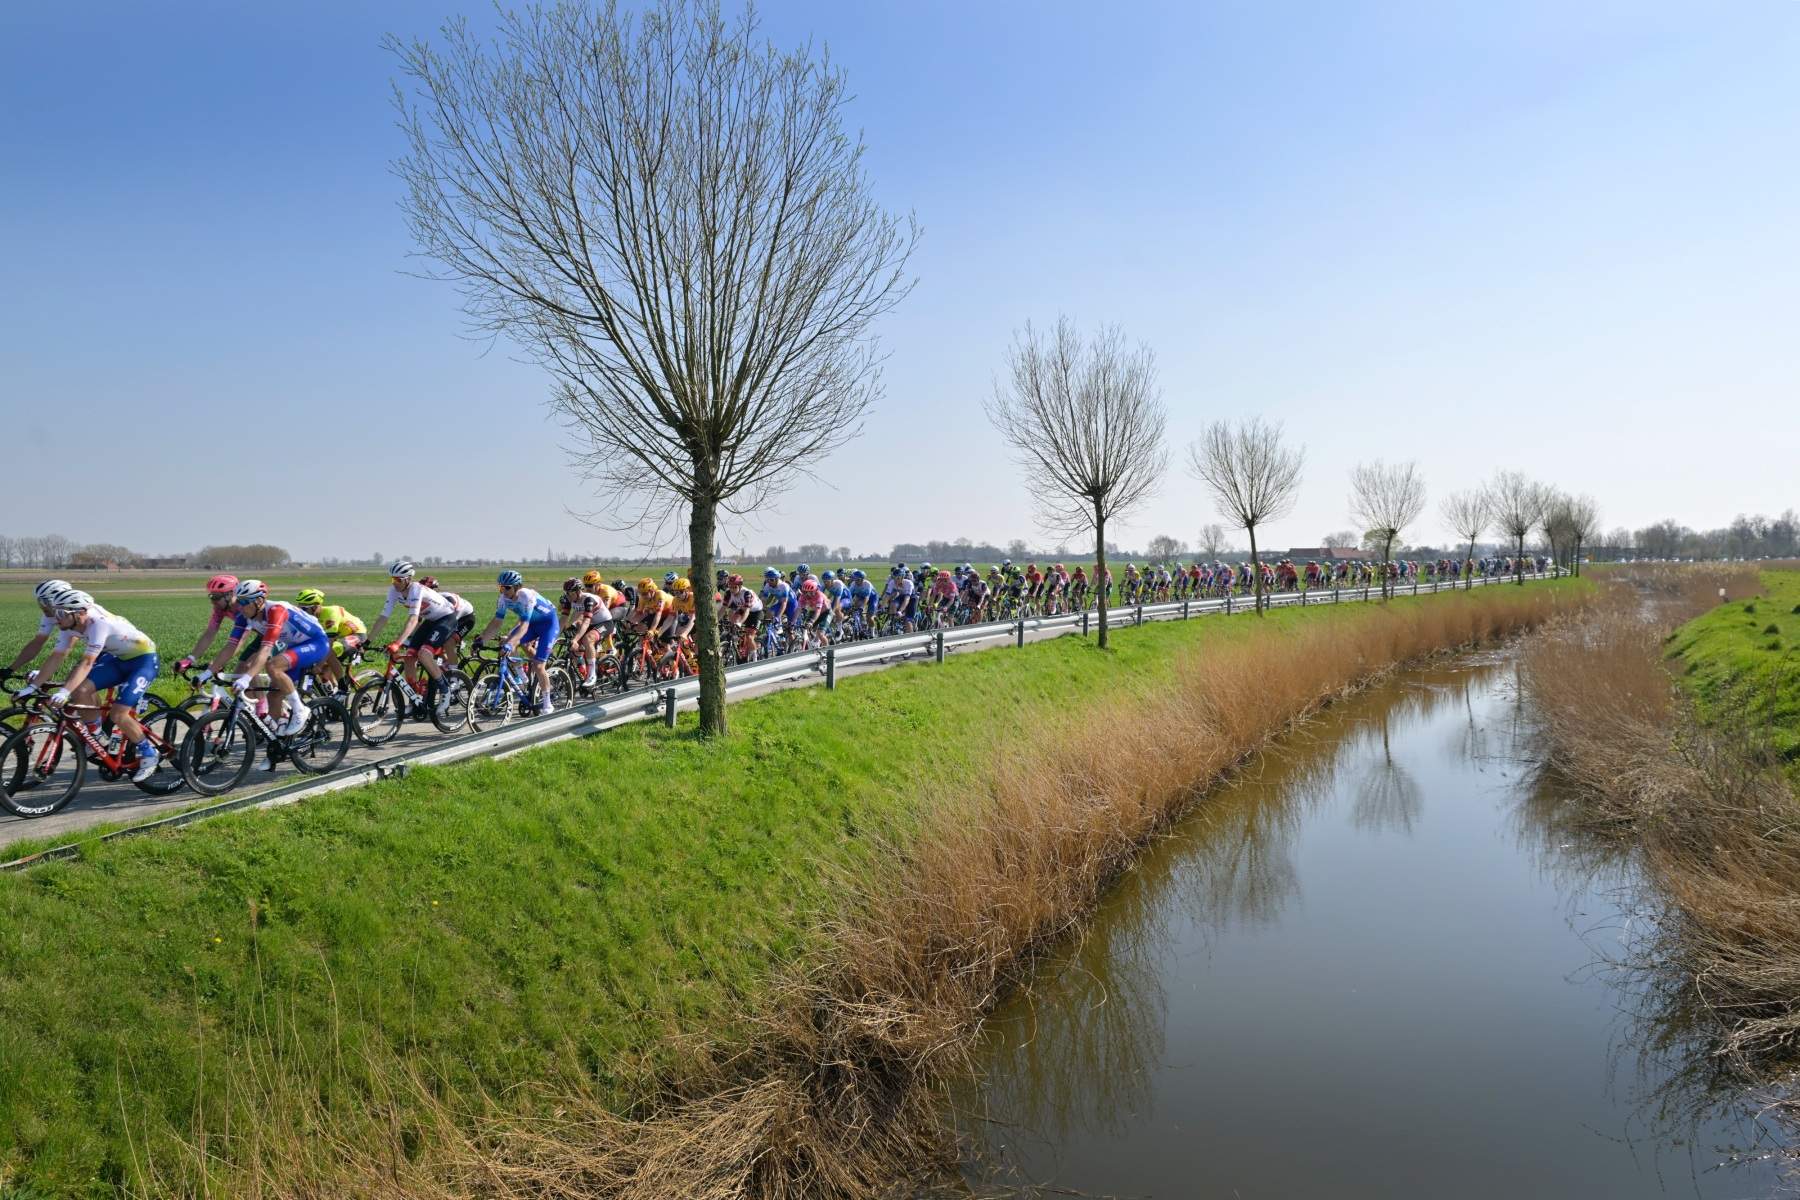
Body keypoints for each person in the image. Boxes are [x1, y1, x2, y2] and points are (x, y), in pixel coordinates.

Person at [19, 590, 164, 782]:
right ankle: (98, 736)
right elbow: (56, 657)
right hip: (119, 660)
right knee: (81, 691)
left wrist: (64, 692)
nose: (56, 618)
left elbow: (87, 663)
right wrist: (32, 687)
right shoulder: (68, 626)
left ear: (79, 613)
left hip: (143, 661)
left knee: (118, 714)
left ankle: (149, 753)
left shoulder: (98, 624)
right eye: (55, 612)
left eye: (61, 613)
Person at [205, 579, 330, 739]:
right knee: (274, 696)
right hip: (294, 646)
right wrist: (207, 673)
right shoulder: (244, 616)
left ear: (258, 601)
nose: (239, 606)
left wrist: (246, 678)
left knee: (273, 666)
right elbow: (231, 646)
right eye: (238, 601)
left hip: (316, 643)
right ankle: (280, 739)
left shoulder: (276, 611)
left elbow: (266, 649)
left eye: (244, 602)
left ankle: (300, 710)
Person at [365, 561, 460, 704]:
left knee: (424, 653)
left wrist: (397, 643)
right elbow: (383, 617)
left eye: (398, 579)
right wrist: (367, 642)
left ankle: (445, 689)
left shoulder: (416, 590)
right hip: (431, 620)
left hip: (446, 618)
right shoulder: (393, 591)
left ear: (408, 579)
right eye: (392, 579)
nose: (394, 583)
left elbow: (413, 619)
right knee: (409, 656)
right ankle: (415, 697)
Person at [473, 570, 560, 716]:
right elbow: (496, 623)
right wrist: (481, 640)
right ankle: (522, 678)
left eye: (507, 588)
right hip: (532, 624)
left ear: (517, 587)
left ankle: (547, 703)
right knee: (506, 642)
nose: (503, 591)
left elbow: (524, 626)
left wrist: (511, 643)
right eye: (501, 587)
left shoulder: (526, 596)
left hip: (548, 625)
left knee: (539, 666)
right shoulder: (503, 599)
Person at [5, 578, 75, 681]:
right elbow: (37, 642)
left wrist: (42, 673)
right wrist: (10, 669)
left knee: (76, 681)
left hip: (97, 650)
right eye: (40, 602)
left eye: (45, 602)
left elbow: (66, 647)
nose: (42, 607)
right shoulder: (50, 615)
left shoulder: (73, 615)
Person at [173, 574, 241, 677]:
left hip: (267, 634)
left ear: (230, 595)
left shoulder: (243, 608)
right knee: (243, 669)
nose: (212, 601)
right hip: (261, 634)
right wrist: (190, 659)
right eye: (211, 596)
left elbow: (238, 641)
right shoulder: (220, 609)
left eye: (216, 597)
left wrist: (217, 663)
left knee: (246, 667)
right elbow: (209, 633)